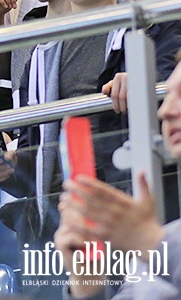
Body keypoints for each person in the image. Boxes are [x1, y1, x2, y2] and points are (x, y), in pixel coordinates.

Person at [0, 0, 181, 296]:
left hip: (132, 216)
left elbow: (171, 90)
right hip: (60, 229)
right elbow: (35, 157)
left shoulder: (148, 30)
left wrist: (144, 79)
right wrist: (10, 167)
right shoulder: (39, 56)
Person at [54, 60, 181, 298]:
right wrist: (87, 282)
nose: (165, 110)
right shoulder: (168, 237)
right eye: (169, 94)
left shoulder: (156, 241)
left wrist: (150, 241)